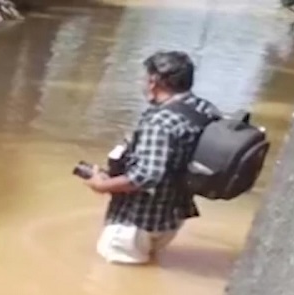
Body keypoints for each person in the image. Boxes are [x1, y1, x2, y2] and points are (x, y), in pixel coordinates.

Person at [84, 50, 220, 265]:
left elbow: (147, 175)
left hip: (135, 222)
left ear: (154, 81)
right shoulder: (205, 110)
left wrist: (102, 185)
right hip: (172, 219)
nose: (142, 82)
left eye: (144, 77)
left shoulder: (161, 121)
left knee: (107, 282)